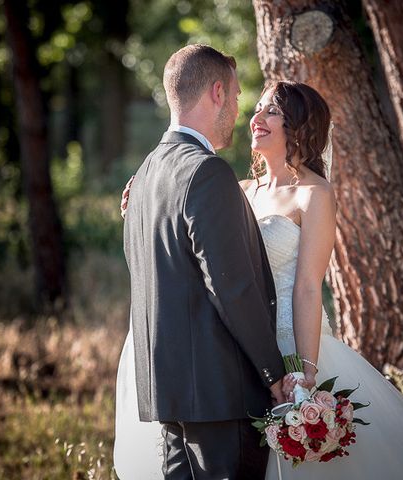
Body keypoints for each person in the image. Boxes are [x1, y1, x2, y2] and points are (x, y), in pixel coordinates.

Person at [117, 78, 403, 479]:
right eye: (257, 108)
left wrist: (305, 370)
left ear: (300, 126)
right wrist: (143, 206)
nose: (256, 117)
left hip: (292, 345)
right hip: (236, 350)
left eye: (271, 111)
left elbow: (308, 286)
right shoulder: (236, 189)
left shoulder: (313, 194)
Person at [116, 44, 287, 479]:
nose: (237, 108)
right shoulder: (206, 171)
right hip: (218, 392)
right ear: (216, 92)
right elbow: (231, 286)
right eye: (234, 95)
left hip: (169, 395)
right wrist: (274, 373)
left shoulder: (145, 174)